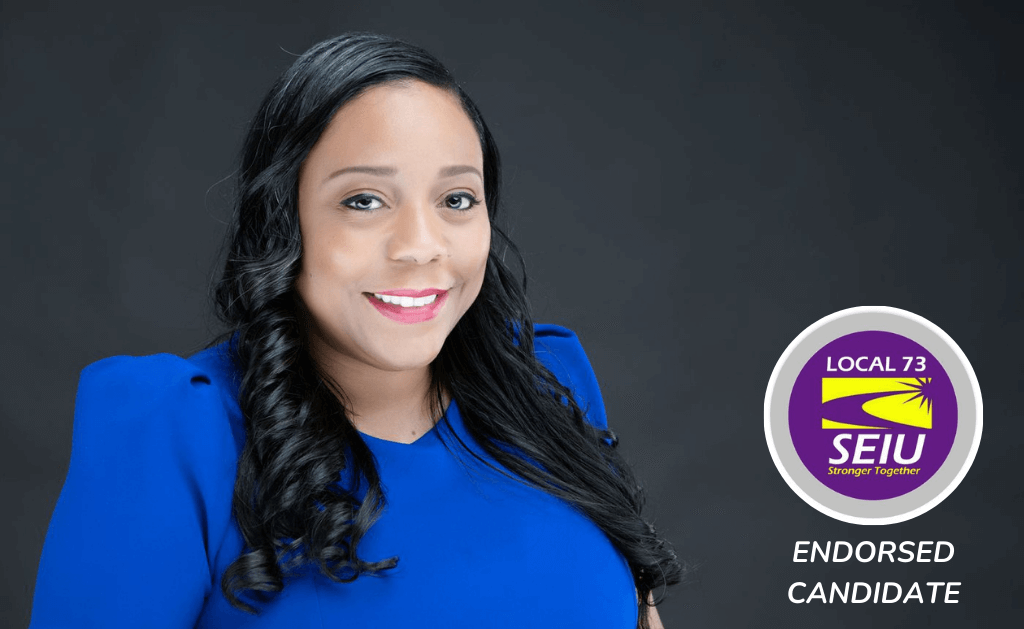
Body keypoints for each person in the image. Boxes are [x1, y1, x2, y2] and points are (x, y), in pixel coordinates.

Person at [29, 32, 683, 628]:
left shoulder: (545, 384)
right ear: (284, 219)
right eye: (364, 200)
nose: (420, 246)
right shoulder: (176, 434)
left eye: (456, 199)